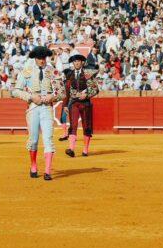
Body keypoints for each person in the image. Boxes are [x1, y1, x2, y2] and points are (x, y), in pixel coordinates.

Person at [12, 46, 65, 181]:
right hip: (33, 107)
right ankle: (34, 165)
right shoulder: (27, 72)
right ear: (35, 58)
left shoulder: (54, 72)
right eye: (39, 58)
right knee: (34, 140)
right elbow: (15, 91)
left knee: (48, 139)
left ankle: (47, 171)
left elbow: (62, 93)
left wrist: (52, 97)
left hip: (47, 108)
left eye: (44, 58)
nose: (42, 61)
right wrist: (30, 97)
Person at [63, 55, 99, 157]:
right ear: (73, 63)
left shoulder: (88, 74)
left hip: (86, 103)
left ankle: (85, 150)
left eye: (78, 61)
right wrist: (65, 104)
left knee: (86, 126)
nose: (77, 63)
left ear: (82, 62)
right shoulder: (69, 74)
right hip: (74, 102)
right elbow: (67, 90)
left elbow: (96, 89)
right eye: (75, 62)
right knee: (73, 124)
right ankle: (71, 149)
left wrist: (86, 95)